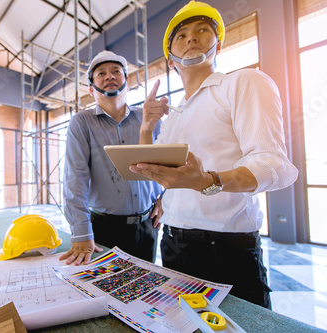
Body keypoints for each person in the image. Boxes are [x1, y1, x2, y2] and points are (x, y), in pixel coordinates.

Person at [130, 1, 298, 309]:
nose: (191, 38)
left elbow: (276, 166)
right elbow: (158, 170)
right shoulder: (176, 113)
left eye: (202, 31)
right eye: (181, 35)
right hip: (173, 242)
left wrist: (209, 181)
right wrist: (146, 127)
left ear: (218, 44)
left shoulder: (242, 83)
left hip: (225, 247)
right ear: (170, 60)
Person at [59, 50, 164, 266]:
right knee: (106, 294)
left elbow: (166, 163)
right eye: (101, 73)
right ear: (91, 89)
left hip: (147, 226)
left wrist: (165, 197)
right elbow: (75, 178)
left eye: (116, 71)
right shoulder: (82, 123)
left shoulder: (148, 119)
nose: (110, 76)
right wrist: (81, 233)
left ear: (126, 82)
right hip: (104, 229)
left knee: (144, 290)